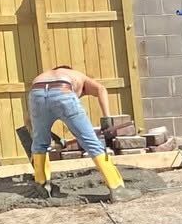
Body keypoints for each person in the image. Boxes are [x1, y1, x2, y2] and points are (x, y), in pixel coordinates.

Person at [23, 63, 126, 200]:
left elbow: (29, 119)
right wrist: (107, 118)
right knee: (92, 143)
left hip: (36, 94)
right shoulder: (78, 76)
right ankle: (117, 188)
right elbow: (101, 89)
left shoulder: (43, 77)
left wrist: (41, 134)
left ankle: (42, 187)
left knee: (39, 144)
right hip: (63, 91)